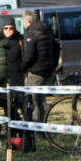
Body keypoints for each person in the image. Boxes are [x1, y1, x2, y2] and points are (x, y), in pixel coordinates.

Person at [20, 10, 58, 151]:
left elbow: (29, 56)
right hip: (47, 70)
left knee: (33, 101)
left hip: (35, 71)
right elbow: (56, 48)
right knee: (41, 101)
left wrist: (23, 67)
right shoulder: (47, 31)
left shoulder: (31, 34)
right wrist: (53, 66)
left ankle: (36, 130)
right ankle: (42, 127)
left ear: (26, 21)